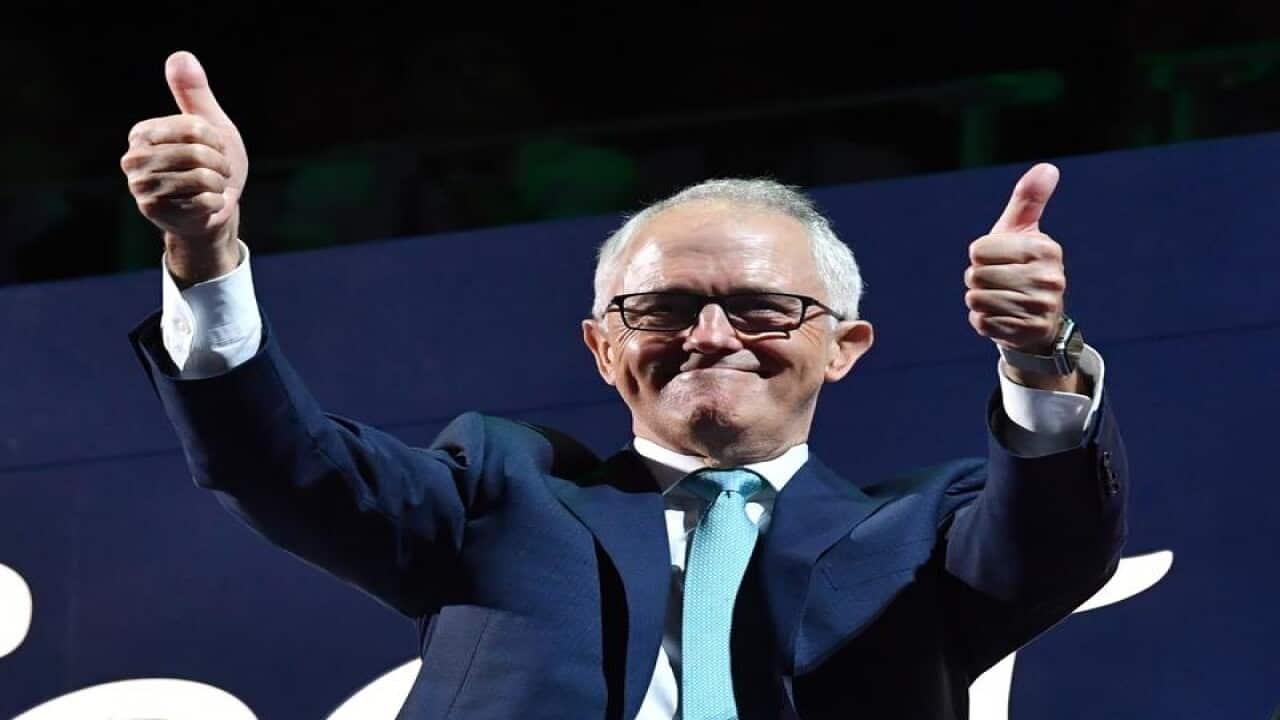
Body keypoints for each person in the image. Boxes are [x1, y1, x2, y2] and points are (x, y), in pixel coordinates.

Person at [121, 51, 1127, 720]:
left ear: (844, 346)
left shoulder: (923, 537)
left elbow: (1052, 536)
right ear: (604, 349)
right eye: (661, 310)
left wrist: (1038, 354)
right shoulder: (496, 494)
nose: (708, 336)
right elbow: (281, 464)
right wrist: (205, 255)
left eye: (762, 307)